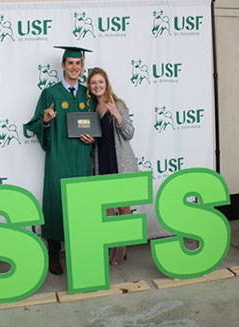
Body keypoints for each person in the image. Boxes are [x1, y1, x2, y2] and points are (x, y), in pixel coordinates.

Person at [24, 46, 94, 275]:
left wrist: (92, 138)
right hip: (59, 157)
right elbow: (35, 123)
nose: (75, 67)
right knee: (56, 201)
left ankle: (81, 250)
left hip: (82, 158)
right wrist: (45, 120)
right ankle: (53, 253)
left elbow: (96, 127)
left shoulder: (88, 94)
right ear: (63, 65)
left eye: (79, 63)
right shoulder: (50, 93)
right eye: (70, 63)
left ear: (83, 67)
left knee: (82, 203)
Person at [87, 67, 139, 266]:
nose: (97, 86)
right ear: (90, 87)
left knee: (122, 207)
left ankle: (121, 249)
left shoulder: (117, 104)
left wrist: (118, 116)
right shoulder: (90, 108)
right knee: (107, 209)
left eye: (100, 82)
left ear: (106, 83)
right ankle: (112, 245)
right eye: (93, 83)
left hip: (119, 161)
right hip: (102, 161)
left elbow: (129, 133)